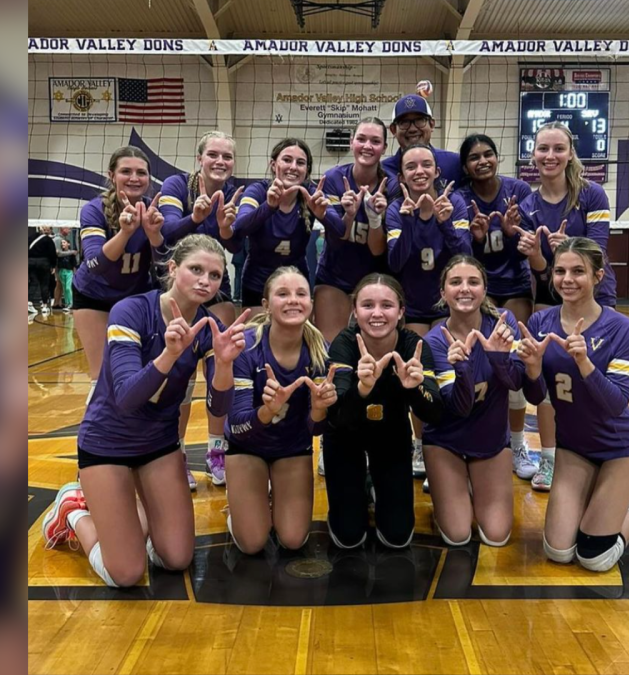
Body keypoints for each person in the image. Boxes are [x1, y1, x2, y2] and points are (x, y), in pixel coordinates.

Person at [42, 235, 250, 586]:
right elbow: (125, 397)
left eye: (215, 276)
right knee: (125, 573)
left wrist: (226, 365)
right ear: (172, 269)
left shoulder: (209, 327)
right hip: (107, 445)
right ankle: (73, 510)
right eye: (196, 269)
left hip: (159, 446)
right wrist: (169, 354)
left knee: (177, 558)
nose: (205, 281)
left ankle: (130, 512)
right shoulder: (132, 310)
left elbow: (219, 407)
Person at [514, 237, 629, 572]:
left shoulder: (621, 329)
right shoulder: (541, 323)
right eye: (560, 271)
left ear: (597, 276)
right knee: (558, 551)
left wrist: (584, 362)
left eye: (578, 271)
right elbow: (537, 397)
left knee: (595, 557)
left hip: (620, 446)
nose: (567, 279)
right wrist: (534, 369)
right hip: (575, 446)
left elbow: (616, 403)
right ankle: (598, 493)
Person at [517, 122, 617, 491]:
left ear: (570, 153)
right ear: (533, 155)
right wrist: (537, 257)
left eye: (558, 149)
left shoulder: (592, 195)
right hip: (551, 297)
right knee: (547, 381)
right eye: (543, 149)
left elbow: (599, 252)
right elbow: (544, 275)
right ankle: (549, 458)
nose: (550, 156)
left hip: (595, 296)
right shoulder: (528, 204)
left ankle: (602, 453)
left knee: (594, 377)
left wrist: (569, 247)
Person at [423, 256, 545, 546]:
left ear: (484, 289)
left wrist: (500, 358)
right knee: (458, 535)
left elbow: (518, 385)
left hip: (490, 443)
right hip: (446, 442)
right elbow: (459, 407)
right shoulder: (435, 341)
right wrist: (463, 368)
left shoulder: (504, 323)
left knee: (497, 536)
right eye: (455, 282)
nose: (464, 289)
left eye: (473, 282)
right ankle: (453, 483)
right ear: (443, 293)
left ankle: (473, 482)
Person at [322, 274, 443, 549]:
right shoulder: (343, 344)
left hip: (390, 434)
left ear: (401, 311)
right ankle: (359, 485)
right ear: (355, 311)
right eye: (367, 305)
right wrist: (363, 388)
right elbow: (337, 417)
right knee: (349, 537)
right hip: (345, 437)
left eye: (387, 305)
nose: (377, 313)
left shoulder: (414, 346)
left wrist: (414, 388)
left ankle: (377, 483)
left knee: (397, 537)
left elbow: (434, 413)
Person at [224, 266, 337, 553]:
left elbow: (316, 430)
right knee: (252, 544)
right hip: (247, 447)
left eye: (301, 294)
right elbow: (236, 423)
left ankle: (263, 499)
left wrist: (319, 410)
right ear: (266, 305)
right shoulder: (246, 347)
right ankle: (238, 507)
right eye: (282, 294)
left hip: (292, 448)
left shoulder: (320, 352)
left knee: (293, 539)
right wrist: (266, 411)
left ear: (311, 305)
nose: (293, 300)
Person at [157, 131, 245, 487]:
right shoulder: (177, 185)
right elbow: (166, 232)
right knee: (179, 375)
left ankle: (215, 450)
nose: (220, 161)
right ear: (200, 158)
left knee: (219, 368)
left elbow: (237, 245)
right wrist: (196, 216)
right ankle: (175, 453)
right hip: (178, 288)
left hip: (215, 287)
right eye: (213, 154)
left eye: (227, 156)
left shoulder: (236, 191)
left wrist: (226, 227)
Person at [457, 133, 539, 480]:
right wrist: (476, 240)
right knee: (475, 367)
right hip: (479, 288)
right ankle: (468, 439)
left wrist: (511, 232)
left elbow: (531, 242)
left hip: (514, 287)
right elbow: (460, 253)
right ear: (465, 166)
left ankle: (517, 443)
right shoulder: (462, 197)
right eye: (474, 157)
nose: (482, 161)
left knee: (513, 365)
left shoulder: (518, 190)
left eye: (488, 154)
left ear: (496, 157)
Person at [386, 143, 470, 478]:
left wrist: (445, 222)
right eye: (411, 167)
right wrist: (407, 222)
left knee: (452, 368)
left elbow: (465, 255)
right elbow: (394, 262)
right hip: (415, 306)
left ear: (437, 171)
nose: (419, 171)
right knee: (418, 371)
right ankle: (420, 442)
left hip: (445, 306)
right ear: (402, 174)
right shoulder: (396, 209)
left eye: (426, 165)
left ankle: (453, 440)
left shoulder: (455, 203)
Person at [71, 145, 165, 397]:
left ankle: (143, 435)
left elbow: (165, 267)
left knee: (141, 374)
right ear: (112, 175)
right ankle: (94, 435)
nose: (134, 178)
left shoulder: (155, 210)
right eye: (126, 171)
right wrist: (125, 233)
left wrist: (154, 235)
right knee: (101, 376)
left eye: (141, 173)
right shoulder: (94, 209)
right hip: (94, 296)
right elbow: (94, 264)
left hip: (135, 296)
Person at [229, 138, 340, 313]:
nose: (293, 167)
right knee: (256, 338)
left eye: (300, 162)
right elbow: (239, 229)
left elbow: (340, 230)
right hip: (258, 284)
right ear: (273, 164)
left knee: (296, 338)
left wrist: (323, 215)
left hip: (296, 286)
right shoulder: (258, 191)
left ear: (307, 170)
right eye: (287, 160)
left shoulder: (311, 193)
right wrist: (269, 207)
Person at [314, 117, 393, 343]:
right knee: (332, 349)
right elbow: (337, 240)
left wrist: (375, 218)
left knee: (375, 351)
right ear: (351, 142)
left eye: (375, 141)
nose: (367, 146)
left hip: (376, 278)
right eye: (361, 139)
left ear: (384, 148)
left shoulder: (393, 185)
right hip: (334, 275)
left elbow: (378, 250)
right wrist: (348, 215)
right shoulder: (333, 179)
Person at [380, 94, 463, 186]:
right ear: (393, 130)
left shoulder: (455, 163)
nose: (412, 129)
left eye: (420, 120)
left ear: (431, 124)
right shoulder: (382, 170)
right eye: (404, 122)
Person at [28, 225, 57, 315]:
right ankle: (44, 305)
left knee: (33, 282)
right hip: (44, 263)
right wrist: (53, 265)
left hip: (30, 262)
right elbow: (52, 253)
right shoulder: (48, 240)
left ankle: (28, 302)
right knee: (44, 283)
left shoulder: (31, 237)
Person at [55, 228, 78, 312]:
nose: (62, 244)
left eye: (64, 243)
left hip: (69, 272)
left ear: (68, 244)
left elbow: (74, 264)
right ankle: (67, 303)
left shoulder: (71, 254)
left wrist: (74, 272)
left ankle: (71, 303)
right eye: (62, 243)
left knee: (68, 288)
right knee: (64, 288)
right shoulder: (60, 254)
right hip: (61, 271)